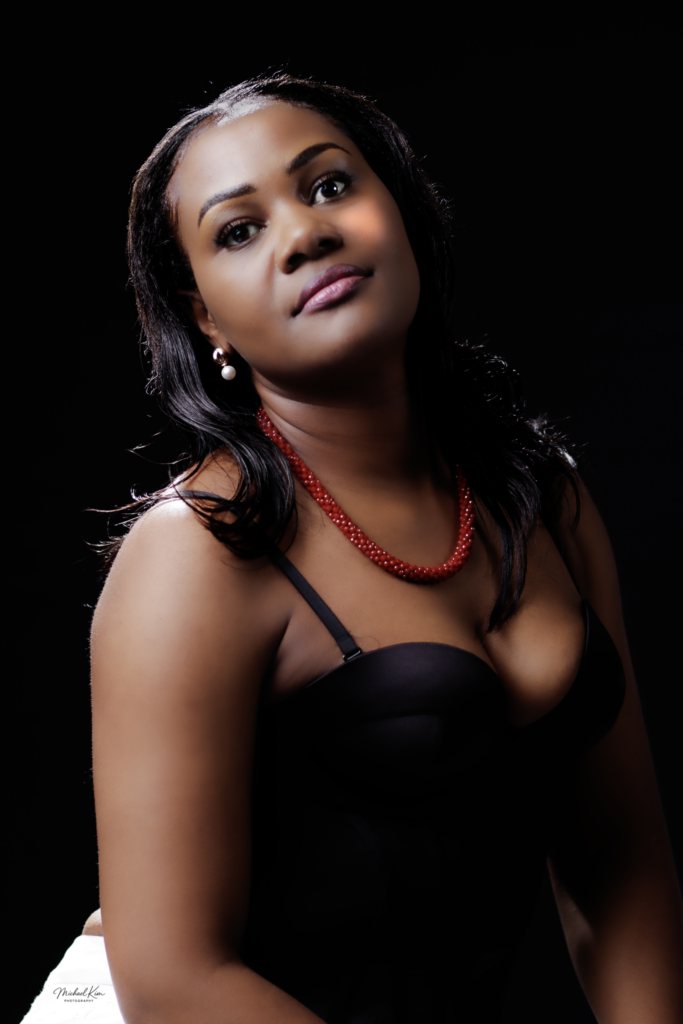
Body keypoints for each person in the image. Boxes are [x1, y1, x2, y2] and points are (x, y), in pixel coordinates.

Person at [24, 74, 683, 1024]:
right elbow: (171, 978)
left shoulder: (542, 499)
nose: (304, 234)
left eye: (330, 185)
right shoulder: (198, 551)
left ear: (401, 208)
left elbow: (620, 867)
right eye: (238, 231)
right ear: (204, 316)